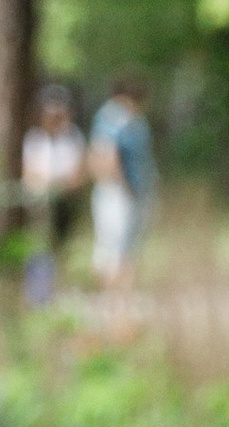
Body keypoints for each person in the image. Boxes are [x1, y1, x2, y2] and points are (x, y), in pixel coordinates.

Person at [19, 87, 86, 306]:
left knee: (62, 248)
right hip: (39, 205)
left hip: (64, 205)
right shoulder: (34, 138)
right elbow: (29, 174)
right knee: (38, 248)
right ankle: (38, 297)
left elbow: (78, 175)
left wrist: (60, 185)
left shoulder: (73, 138)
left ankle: (59, 295)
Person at [87, 78, 155, 287]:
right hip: (117, 191)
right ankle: (113, 294)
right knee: (113, 249)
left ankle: (122, 293)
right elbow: (105, 156)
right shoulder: (112, 117)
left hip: (131, 191)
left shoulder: (132, 119)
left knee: (126, 247)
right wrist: (126, 188)